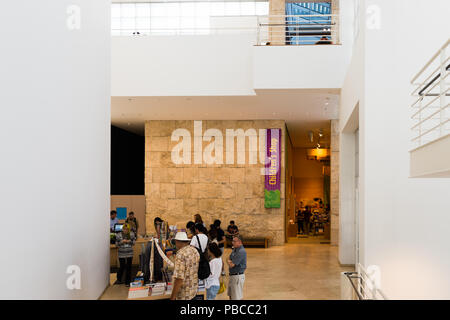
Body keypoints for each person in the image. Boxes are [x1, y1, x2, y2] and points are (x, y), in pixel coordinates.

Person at [170, 232, 200, 300]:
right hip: (193, 291)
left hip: (184, 295)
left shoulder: (180, 254)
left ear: (178, 241)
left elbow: (179, 279)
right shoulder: (194, 250)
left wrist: (172, 297)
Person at [227, 235, 247, 300]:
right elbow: (228, 258)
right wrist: (229, 261)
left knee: (236, 297)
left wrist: (229, 261)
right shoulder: (235, 249)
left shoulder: (241, 251)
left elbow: (232, 264)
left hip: (237, 277)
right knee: (231, 296)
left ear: (240, 242)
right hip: (232, 276)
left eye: (234, 241)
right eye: (232, 241)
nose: (232, 242)